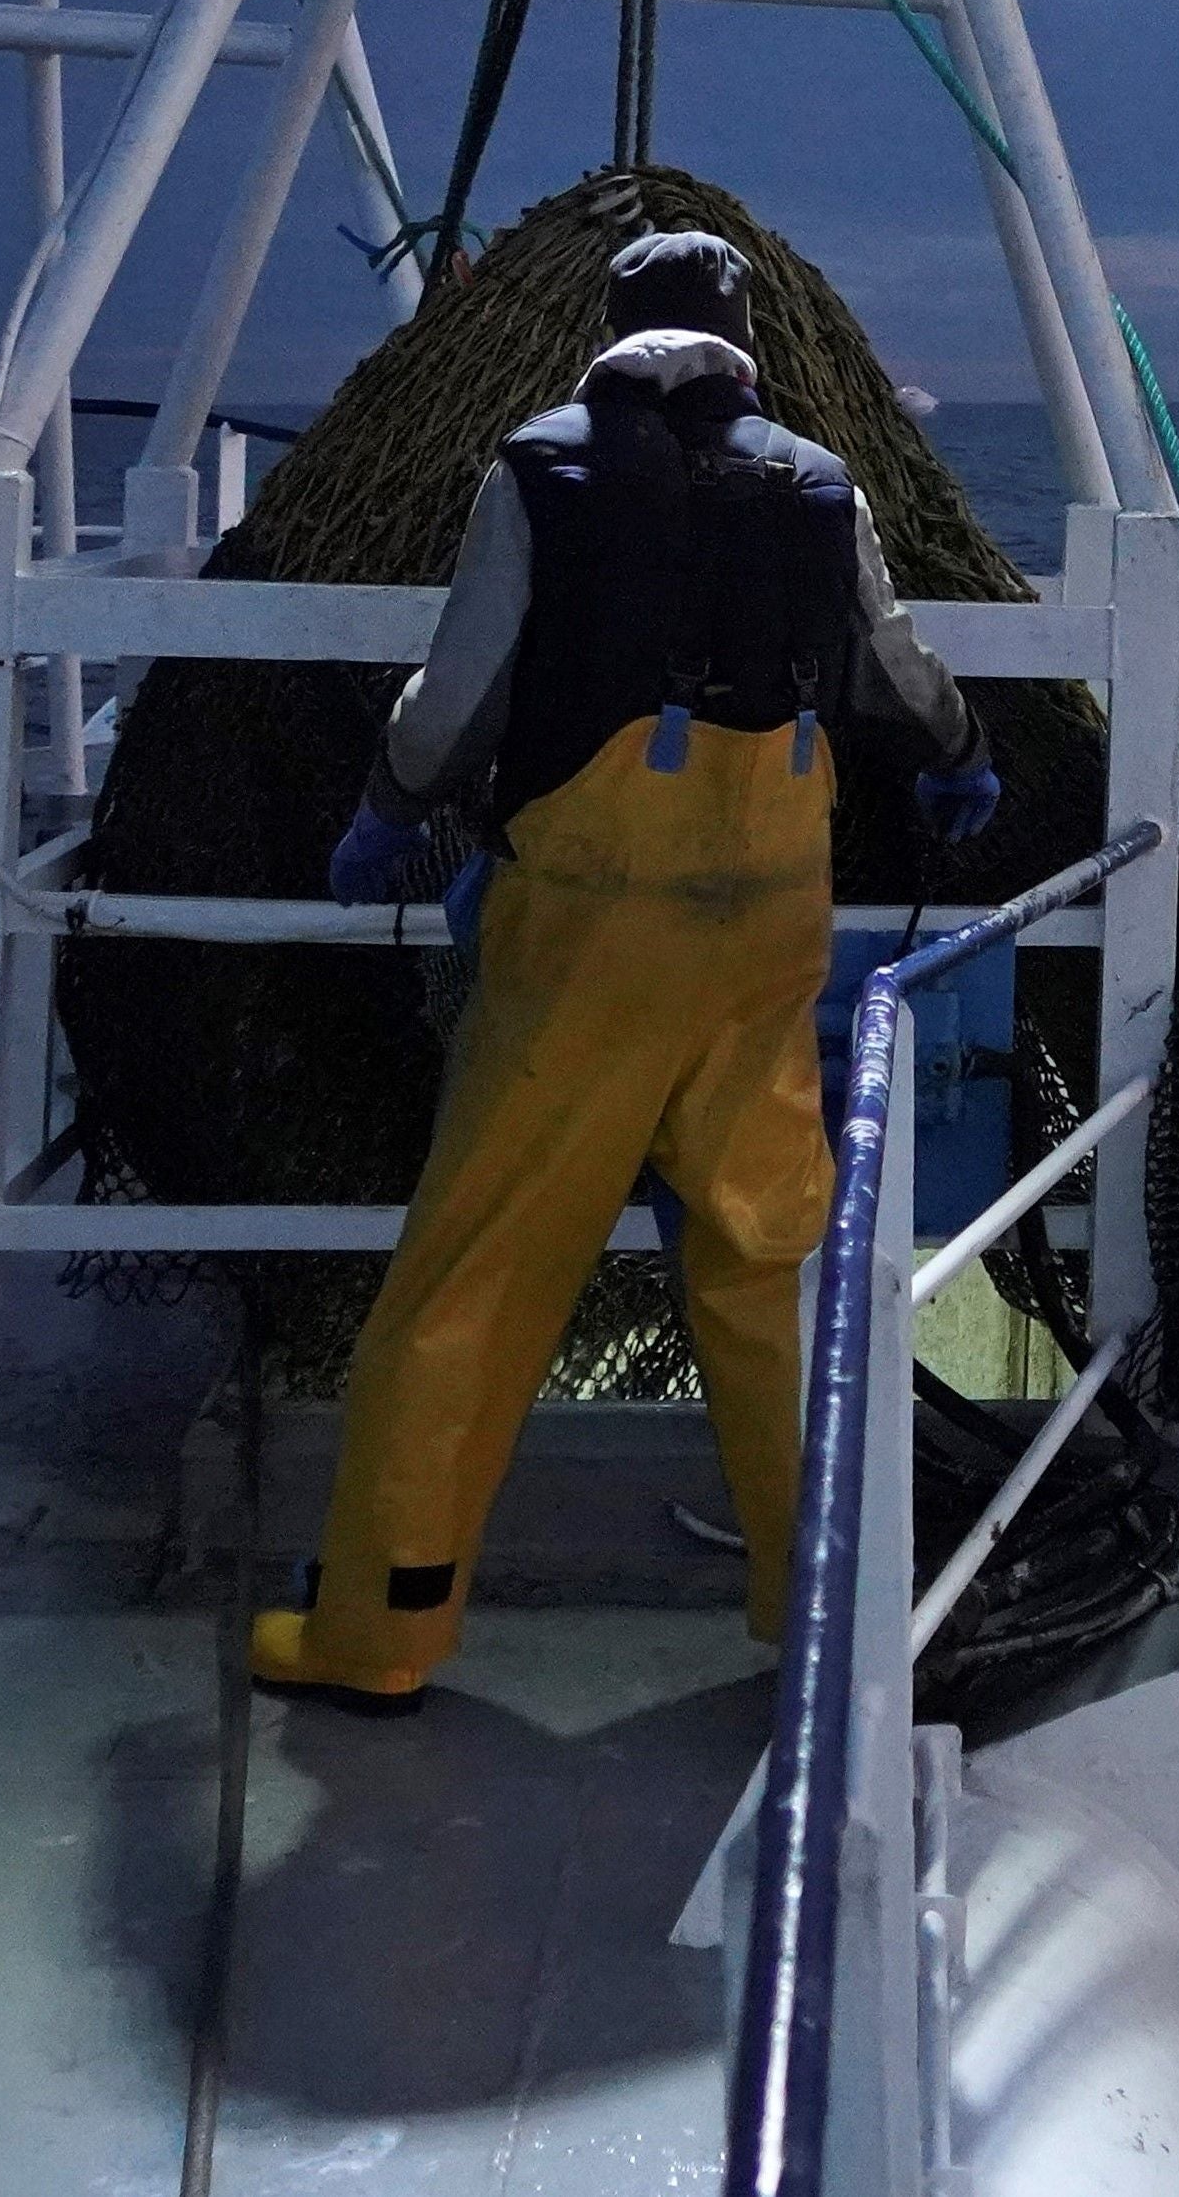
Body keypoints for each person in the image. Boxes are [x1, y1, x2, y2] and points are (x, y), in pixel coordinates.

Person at [248, 229, 995, 1707]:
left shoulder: (537, 466)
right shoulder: (818, 476)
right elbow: (891, 665)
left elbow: (455, 694)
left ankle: (378, 1627)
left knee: (477, 1265)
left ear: (610, 333)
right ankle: (826, 1618)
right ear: (739, 343)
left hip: (590, 928)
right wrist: (962, 759)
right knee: (775, 1272)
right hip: (768, 914)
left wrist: (389, 810)